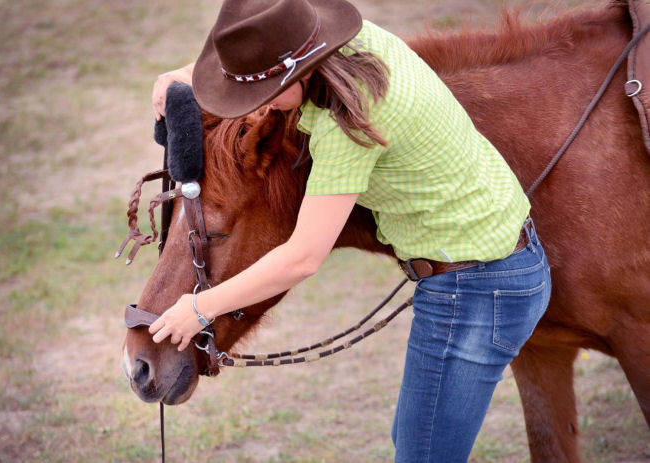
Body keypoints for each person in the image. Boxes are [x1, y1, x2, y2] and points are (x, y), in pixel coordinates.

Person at [148, 0, 552, 461]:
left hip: (476, 290)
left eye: (265, 92)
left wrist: (201, 308)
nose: (257, 108)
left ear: (296, 73)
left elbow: (303, 256)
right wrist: (182, 75)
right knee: (417, 442)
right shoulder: (350, 45)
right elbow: (263, 47)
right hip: (490, 265)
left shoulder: (350, 125)